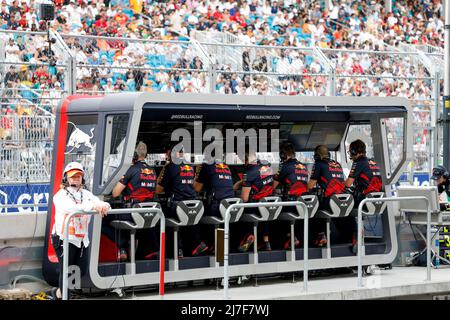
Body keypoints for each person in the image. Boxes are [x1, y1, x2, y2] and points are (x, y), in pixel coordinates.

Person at [51, 161, 110, 300]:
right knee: (67, 270)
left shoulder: (87, 194)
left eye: (79, 175)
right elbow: (71, 208)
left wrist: (102, 205)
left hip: (82, 239)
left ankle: (59, 294)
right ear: (66, 178)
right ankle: (65, 296)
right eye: (73, 176)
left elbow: (103, 204)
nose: (76, 178)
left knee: (79, 270)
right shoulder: (60, 195)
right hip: (63, 239)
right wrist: (93, 206)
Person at [104, 141, 159, 262]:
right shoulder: (153, 171)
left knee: (102, 218)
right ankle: (133, 247)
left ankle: (123, 244)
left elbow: (115, 193)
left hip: (133, 213)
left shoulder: (131, 170)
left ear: (133, 155)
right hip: (148, 213)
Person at [156, 144, 208, 257]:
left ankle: (169, 249)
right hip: (193, 206)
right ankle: (196, 244)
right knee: (187, 220)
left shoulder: (170, 167)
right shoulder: (190, 166)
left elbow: (158, 190)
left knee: (158, 215)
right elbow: (194, 186)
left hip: (178, 206)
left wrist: (163, 170)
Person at [344, 139, 383, 251]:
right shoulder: (373, 162)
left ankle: (355, 234)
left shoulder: (358, 162)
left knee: (344, 206)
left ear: (353, 151)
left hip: (364, 200)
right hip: (377, 200)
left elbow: (348, 183)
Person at [235, 148, 275, 252]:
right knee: (264, 214)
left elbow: (244, 198)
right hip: (270, 204)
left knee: (237, 212)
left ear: (245, 159)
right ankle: (266, 243)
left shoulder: (249, 172)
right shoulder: (267, 166)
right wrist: (241, 182)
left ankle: (249, 236)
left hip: (255, 207)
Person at [194, 157, 235, 251]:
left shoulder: (206, 165)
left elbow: (197, 188)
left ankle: (202, 245)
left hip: (217, 206)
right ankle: (217, 247)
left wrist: (197, 172)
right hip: (231, 206)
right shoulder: (226, 166)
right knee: (220, 222)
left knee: (195, 215)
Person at [307, 145, 346, 247]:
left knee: (311, 209)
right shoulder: (337, 164)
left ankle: (321, 235)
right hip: (343, 201)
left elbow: (310, 185)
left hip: (329, 201)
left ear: (317, 156)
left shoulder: (319, 164)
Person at [273, 141, 309, 249]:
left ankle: (288, 238)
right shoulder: (303, 166)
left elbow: (273, 185)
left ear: (283, 154)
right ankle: (293, 237)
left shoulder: (285, 166)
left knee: (274, 214)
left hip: (291, 203)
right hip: (303, 203)